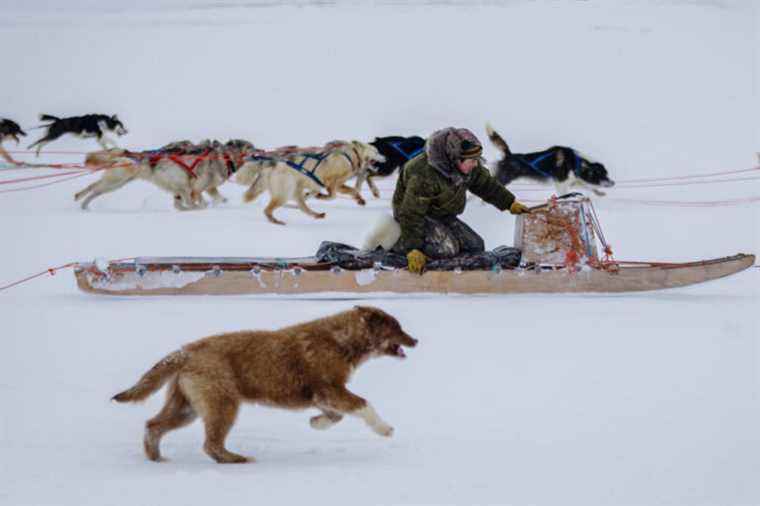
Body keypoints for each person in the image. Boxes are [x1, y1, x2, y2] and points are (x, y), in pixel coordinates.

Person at [391, 127, 530, 274]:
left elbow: (486, 185)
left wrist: (510, 203)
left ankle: (455, 264)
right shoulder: (423, 173)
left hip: (442, 215)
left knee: (475, 246)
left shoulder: (467, 166)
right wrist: (413, 248)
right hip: (415, 218)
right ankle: (399, 245)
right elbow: (411, 213)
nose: (475, 164)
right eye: (472, 160)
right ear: (455, 158)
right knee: (446, 249)